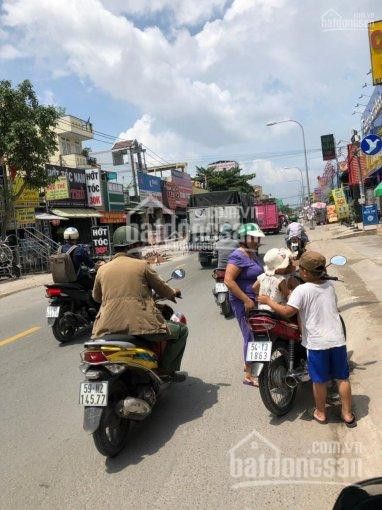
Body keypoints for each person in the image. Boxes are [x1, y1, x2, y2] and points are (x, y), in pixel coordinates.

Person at [258, 251, 355, 427]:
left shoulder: (301, 290)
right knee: (342, 378)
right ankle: (347, 414)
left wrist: (268, 301)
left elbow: (288, 312)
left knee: (319, 380)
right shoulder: (329, 287)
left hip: (317, 344)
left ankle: (320, 412)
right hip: (337, 340)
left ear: (304, 272)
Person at [91, 225, 188, 376]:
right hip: (141, 325)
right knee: (181, 330)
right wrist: (173, 292)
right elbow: (162, 288)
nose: (140, 248)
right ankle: (165, 371)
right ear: (131, 246)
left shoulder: (102, 269)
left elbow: (96, 297)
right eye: (138, 245)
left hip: (106, 327)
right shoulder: (142, 265)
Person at [224, 223, 265, 386]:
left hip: (254, 300)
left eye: (257, 238)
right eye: (253, 238)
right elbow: (228, 281)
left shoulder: (251, 254)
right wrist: (246, 300)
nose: (256, 240)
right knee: (251, 335)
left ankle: (250, 364)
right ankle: (249, 376)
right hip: (243, 302)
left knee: (258, 333)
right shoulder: (238, 255)